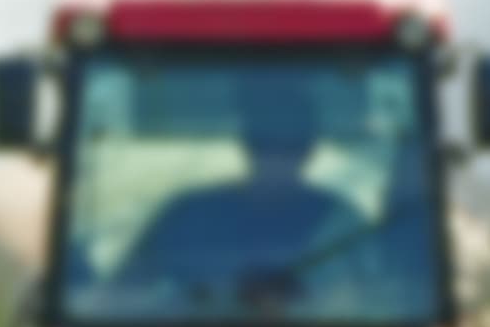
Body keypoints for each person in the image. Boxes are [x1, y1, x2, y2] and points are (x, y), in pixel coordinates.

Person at [115, 73, 361, 300]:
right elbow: (119, 298)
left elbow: (373, 299)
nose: (276, 158)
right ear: (247, 143)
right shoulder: (189, 217)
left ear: (309, 147)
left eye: (290, 144)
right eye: (264, 142)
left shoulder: (341, 226)